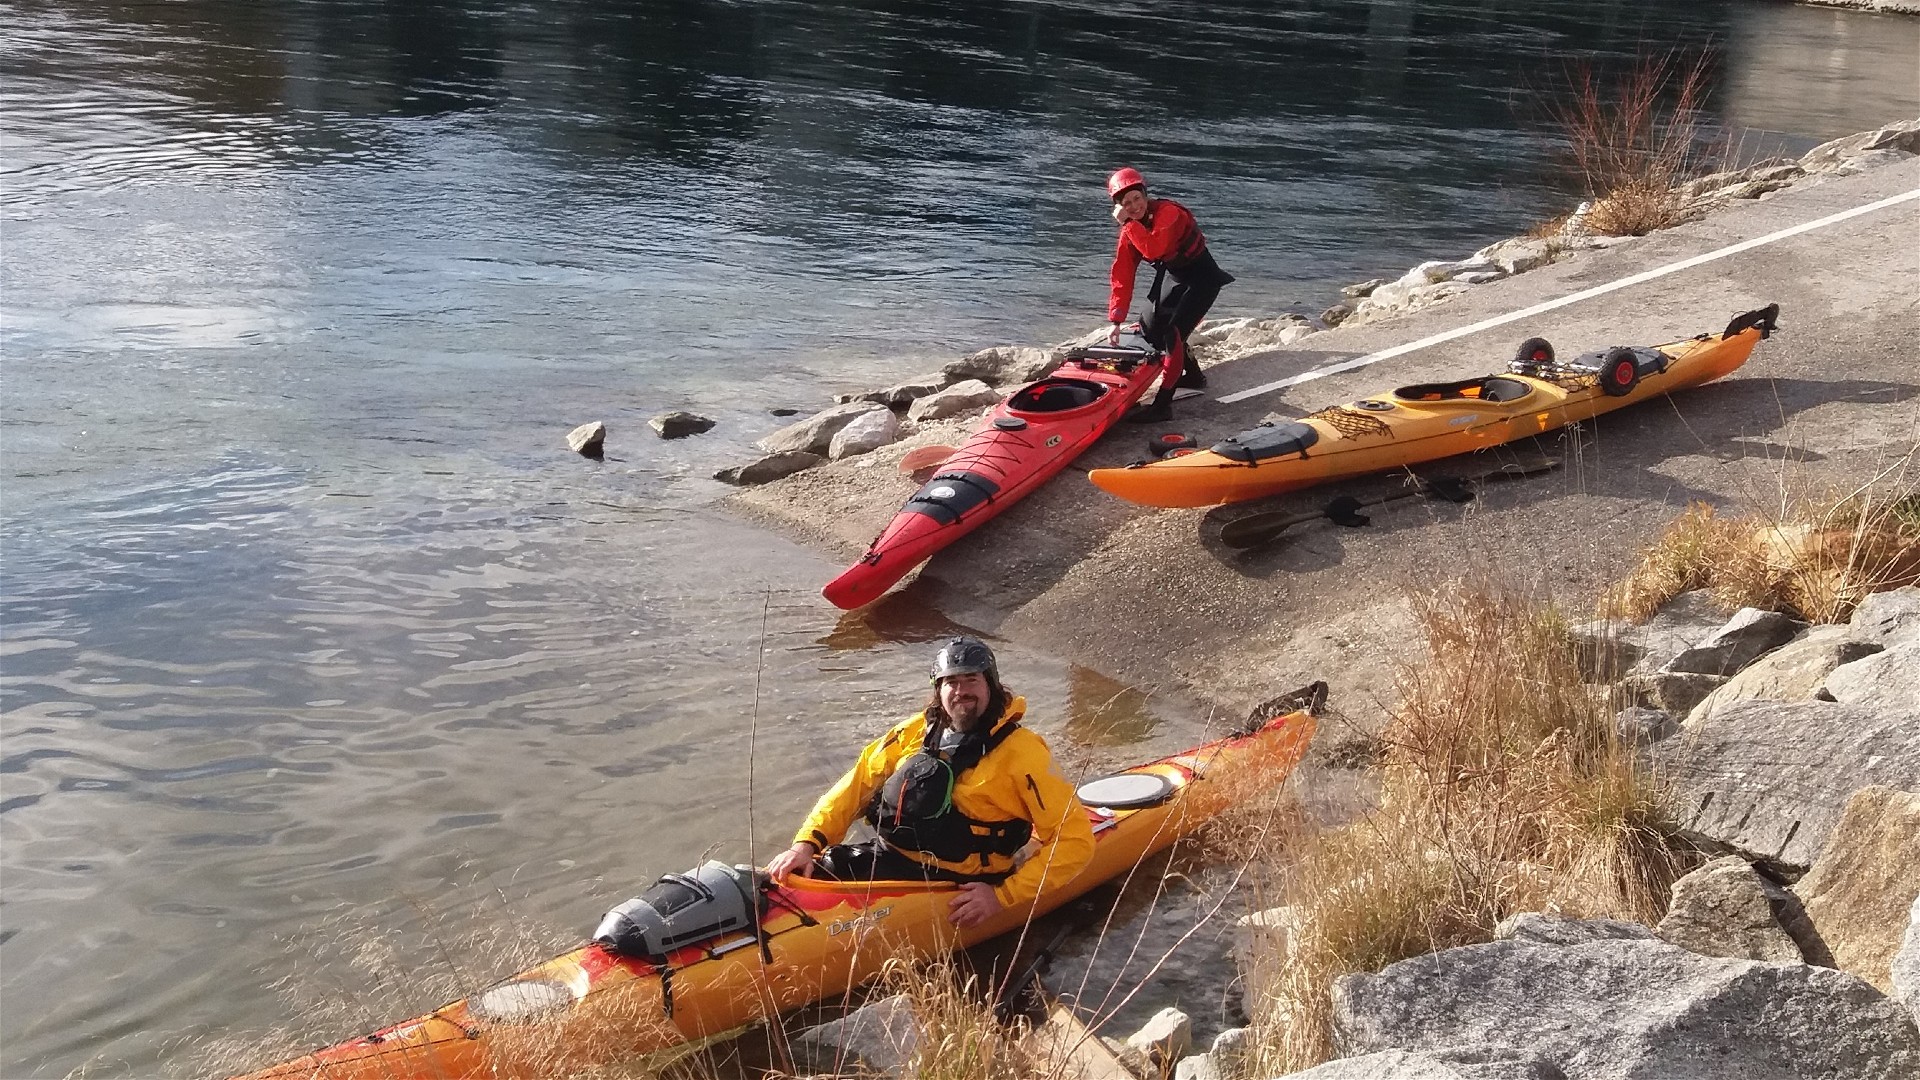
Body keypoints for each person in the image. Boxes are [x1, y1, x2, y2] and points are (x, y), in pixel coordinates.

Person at [765, 637, 1095, 929]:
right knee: (816, 870)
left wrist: (1003, 897)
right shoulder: (914, 731)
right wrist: (805, 844)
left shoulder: (1025, 754)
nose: (962, 690)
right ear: (938, 689)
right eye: (951, 681)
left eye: (972, 679)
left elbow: (1075, 842)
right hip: (895, 857)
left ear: (991, 686)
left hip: (967, 881)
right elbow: (857, 785)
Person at [1105, 167, 1235, 422]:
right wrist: (1116, 320)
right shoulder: (1129, 230)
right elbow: (1122, 273)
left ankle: (1162, 406)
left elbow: (1154, 249)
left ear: (1145, 195)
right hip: (1177, 277)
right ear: (1118, 206)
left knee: (1173, 334)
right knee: (1150, 329)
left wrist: (1127, 223)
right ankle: (1195, 377)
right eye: (1126, 203)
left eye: (1137, 199)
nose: (1133, 207)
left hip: (1203, 278)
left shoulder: (1169, 213)